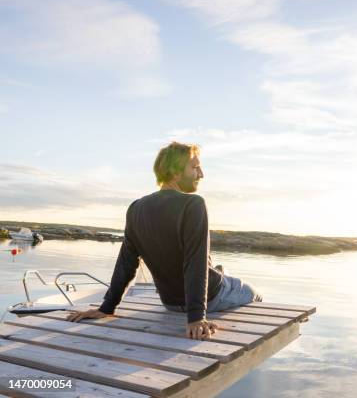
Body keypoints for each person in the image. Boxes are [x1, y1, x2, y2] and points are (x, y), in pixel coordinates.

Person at [67, 142, 262, 340]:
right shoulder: (193, 203)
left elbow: (127, 263)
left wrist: (107, 308)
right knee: (254, 293)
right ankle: (222, 275)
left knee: (218, 271)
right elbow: (195, 262)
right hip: (210, 297)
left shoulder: (136, 207)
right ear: (175, 172)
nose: (201, 174)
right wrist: (196, 318)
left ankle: (221, 272)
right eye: (195, 167)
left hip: (169, 302)